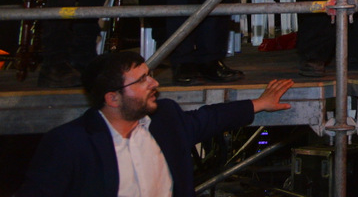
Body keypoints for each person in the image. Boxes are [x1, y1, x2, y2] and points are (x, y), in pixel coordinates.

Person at [17, 50, 293, 197]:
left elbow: (210, 119)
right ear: (112, 98)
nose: (155, 83)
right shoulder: (69, 143)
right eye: (142, 80)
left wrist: (259, 103)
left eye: (149, 75)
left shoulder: (166, 119)